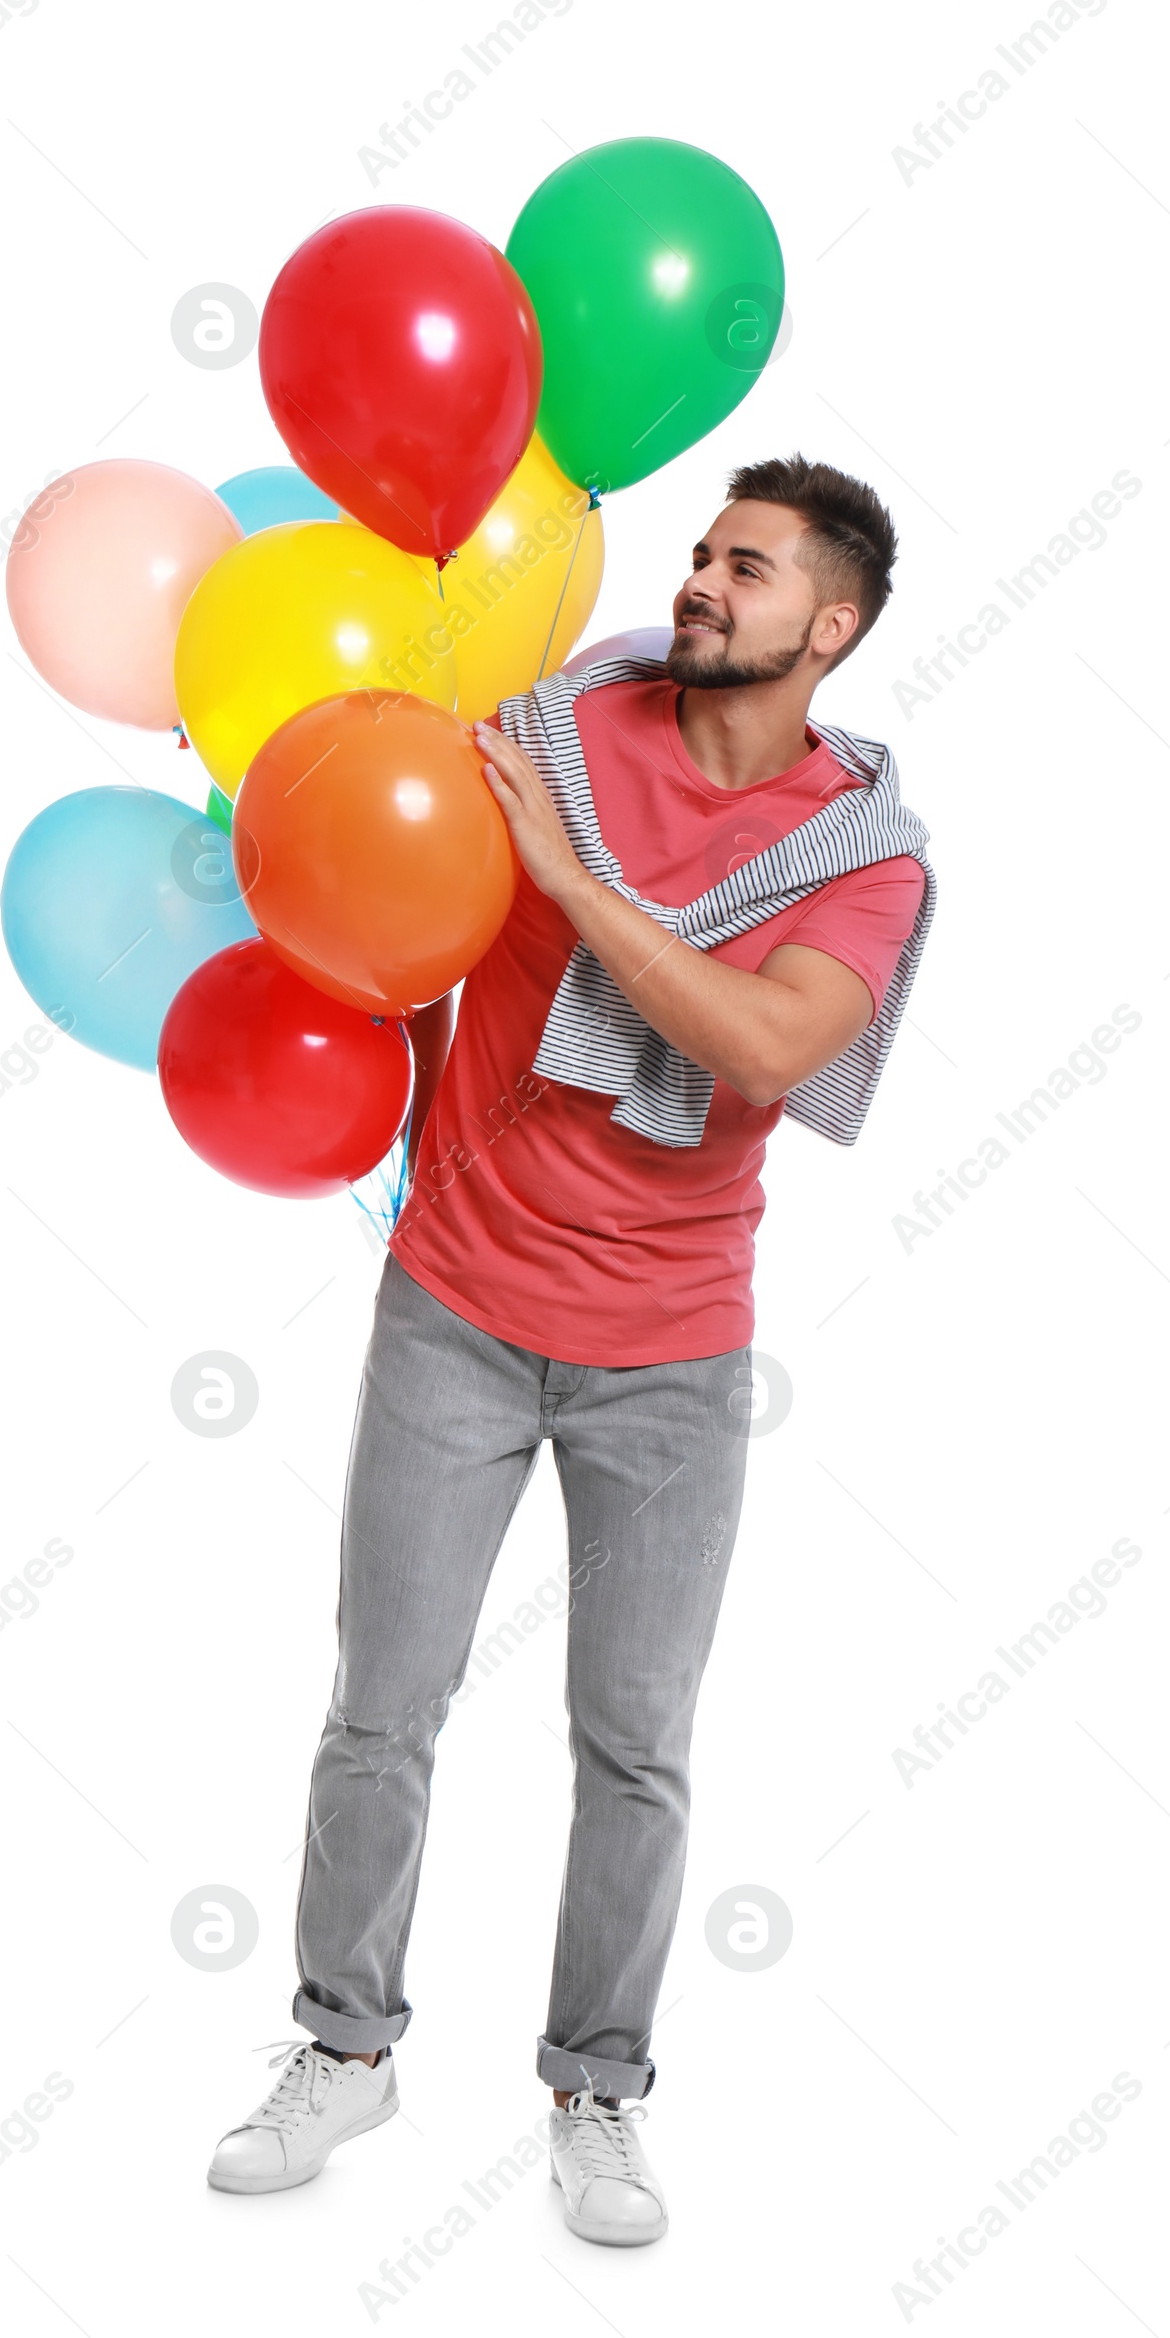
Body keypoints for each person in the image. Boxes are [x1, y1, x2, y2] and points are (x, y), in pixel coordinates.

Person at [207, 455, 934, 2244]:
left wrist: (566, 872)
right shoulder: (549, 722)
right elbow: (409, 907)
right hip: (453, 1309)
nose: (698, 583)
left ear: (827, 628)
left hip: (670, 1360)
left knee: (633, 1742)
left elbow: (764, 1047)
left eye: (744, 569)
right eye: (698, 553)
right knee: (382, 1709)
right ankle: (345, 2055)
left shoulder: (868, 863)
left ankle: (596, 2093)